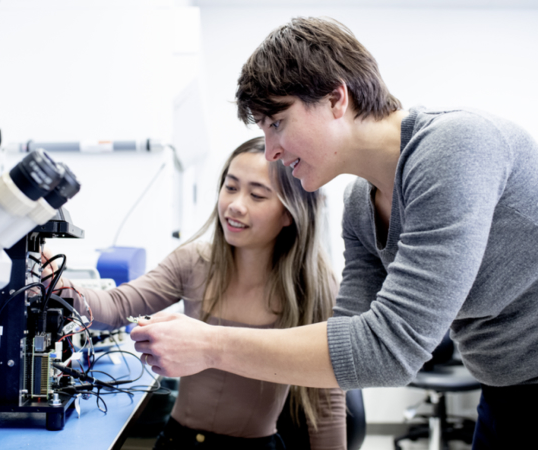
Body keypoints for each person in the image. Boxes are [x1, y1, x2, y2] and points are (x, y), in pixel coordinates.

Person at [130, 17, 538, 449]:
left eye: (277, 122)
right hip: (504, 392)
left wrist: (211, 345)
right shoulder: (359, 205)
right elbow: (346, 348)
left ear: (335, 98)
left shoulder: (456, 147)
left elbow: (389, 349)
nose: (271, 150)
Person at [44, 137, 346, 449]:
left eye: (256, 195)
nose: (235, 204)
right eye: (230, 187)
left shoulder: (315, 287)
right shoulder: (193, 262)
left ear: (289, 213)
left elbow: (326, 406)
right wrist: (53, 283)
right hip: (178, 441)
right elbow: (116, 306)